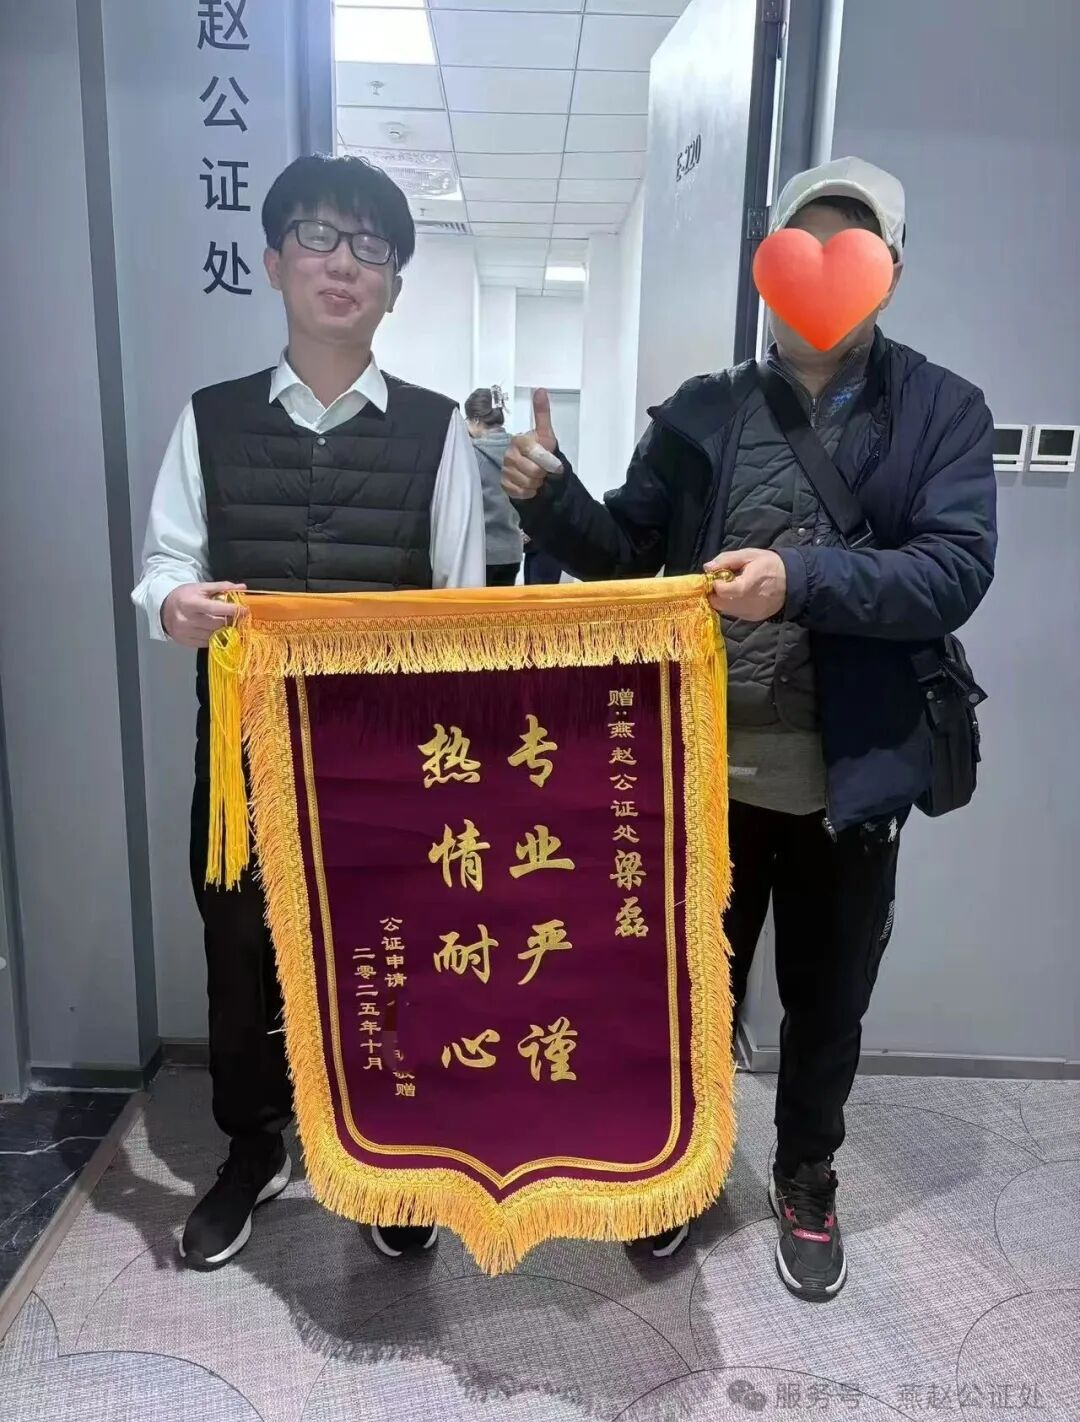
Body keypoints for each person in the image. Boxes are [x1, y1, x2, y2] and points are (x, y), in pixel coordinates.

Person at [502, 157, 996, 1299]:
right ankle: (681, 1170)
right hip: (699, 772)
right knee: (689, 992)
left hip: (851, 776)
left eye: (854, 246)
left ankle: (806, 1173)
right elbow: (627, 555)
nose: (823, 269)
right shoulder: (701, 410)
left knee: (829, 998)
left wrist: (799, 580)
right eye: (800, 244)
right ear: (767, 266)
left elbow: (953, 571)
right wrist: (551, 497)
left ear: (891, 270)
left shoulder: (942, 409)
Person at [133, 154, 484, 1271]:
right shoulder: (210, 421)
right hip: (246, 762)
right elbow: (165, 566)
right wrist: (174, 606)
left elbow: (465, 613)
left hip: (389, 770)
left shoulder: (437, 432)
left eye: (371, 247)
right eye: (320, 239)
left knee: (390, 956)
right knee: (240, 956)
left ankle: (390, 1159)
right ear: (274, 262)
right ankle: (255, 1147)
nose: (344, 265)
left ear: (395, 285)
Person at [463, 386, 524, 585]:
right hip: (512, 550)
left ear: (476, 420)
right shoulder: (520, 449)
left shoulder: (472, 454)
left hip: (482, 552)